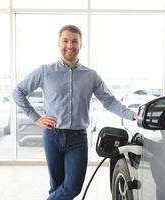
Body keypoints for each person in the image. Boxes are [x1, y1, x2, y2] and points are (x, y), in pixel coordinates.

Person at [12, 24, 137, 200]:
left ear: (80, 45)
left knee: (73, 188)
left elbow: (108, 101)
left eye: (74, 41)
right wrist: (36, 118)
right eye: (65, 41)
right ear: (59, 43)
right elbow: (18, 92)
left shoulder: (91, 75)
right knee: (56, 186)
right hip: (52, 136)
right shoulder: (45, 71)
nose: (70, 45)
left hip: (77, 139)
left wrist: (132, 114)